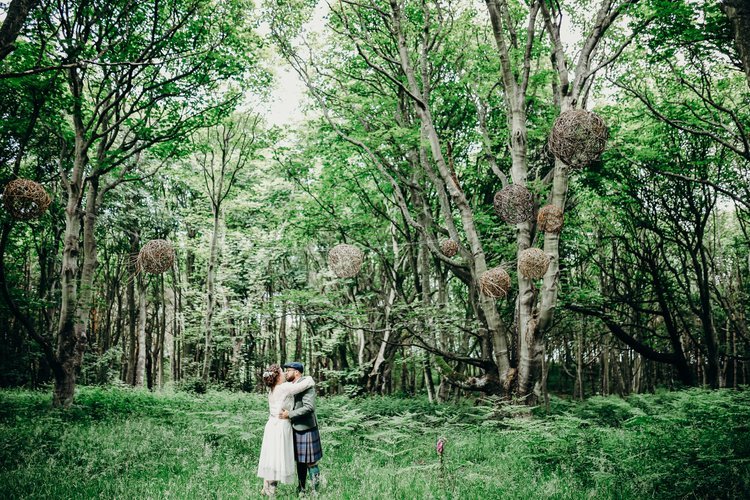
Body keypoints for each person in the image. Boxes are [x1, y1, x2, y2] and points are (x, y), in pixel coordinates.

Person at [257, 363, 315, 496]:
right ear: (278, 376)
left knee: (270, 455)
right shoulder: (284, 387)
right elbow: (304, 385)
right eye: (283, 372)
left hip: (271, 424)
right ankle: (271, 489)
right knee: (277, 456)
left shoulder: (272, 389)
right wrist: (311, 378)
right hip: (281, 426)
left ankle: (266, 486)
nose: (284, 374)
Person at [279, 362, 324, 494]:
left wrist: (290, 414)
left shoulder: (306, 384)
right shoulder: (292, 386)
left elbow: (309, 407)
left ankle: (315, 491)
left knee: (311, 462)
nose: (286, 373)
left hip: (306, 428)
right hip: (295, 428)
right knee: (300, 461)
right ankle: (301, 488)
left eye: (288, 371)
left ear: (297, 372)